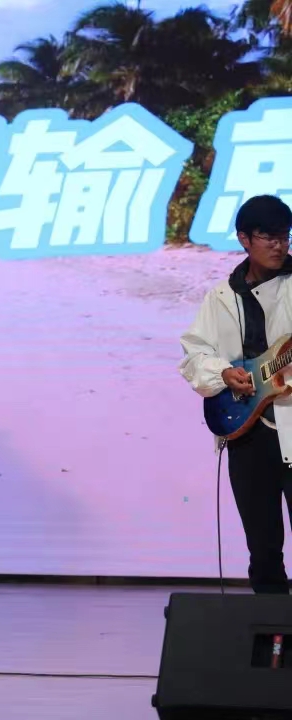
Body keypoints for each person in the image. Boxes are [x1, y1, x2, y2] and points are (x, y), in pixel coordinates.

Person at [180, 193, 292, 594]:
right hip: (248, 432)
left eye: (285, 236)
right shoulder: (221, 296)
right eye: (269, 237)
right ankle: (273, 630)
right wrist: (224, 373)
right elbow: (195, 353)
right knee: (262, 548)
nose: (279, 245)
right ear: (244, 238)